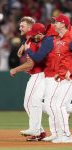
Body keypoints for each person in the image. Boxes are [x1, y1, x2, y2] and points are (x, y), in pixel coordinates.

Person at [27, 14, 72, 143]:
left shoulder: (70, 38)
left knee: (58, 105)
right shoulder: (58, 39)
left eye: (57, 22)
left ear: (63, 24)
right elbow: (63, 59)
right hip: (61, 76)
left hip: (69, 78)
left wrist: (70, 71)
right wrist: (60, 72)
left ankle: (66, 135)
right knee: (53, 104)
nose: (54, 24)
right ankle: (59, 133)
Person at [10, 23, 55, 141]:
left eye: (23, 26)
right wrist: (24, 45)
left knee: (33, 102)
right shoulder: (30, 39)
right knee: (37, 103)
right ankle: (38, 130)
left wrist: (16, 69)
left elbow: (33, 62)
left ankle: (37, 130)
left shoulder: (35, 41)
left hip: (39, 74)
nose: (20, 28)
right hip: (40, 74)